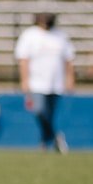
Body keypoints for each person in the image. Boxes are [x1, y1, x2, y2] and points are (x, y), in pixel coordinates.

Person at [14, 12, 75, 152]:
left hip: (56, 83)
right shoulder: (29, 35)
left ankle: (44, 142)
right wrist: (24, 81)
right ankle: (55, 137)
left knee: (50, 115)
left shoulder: (61, 36)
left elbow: (69, 59)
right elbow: (23, 59)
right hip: (36, 83)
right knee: (39, 110)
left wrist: (69, 79)